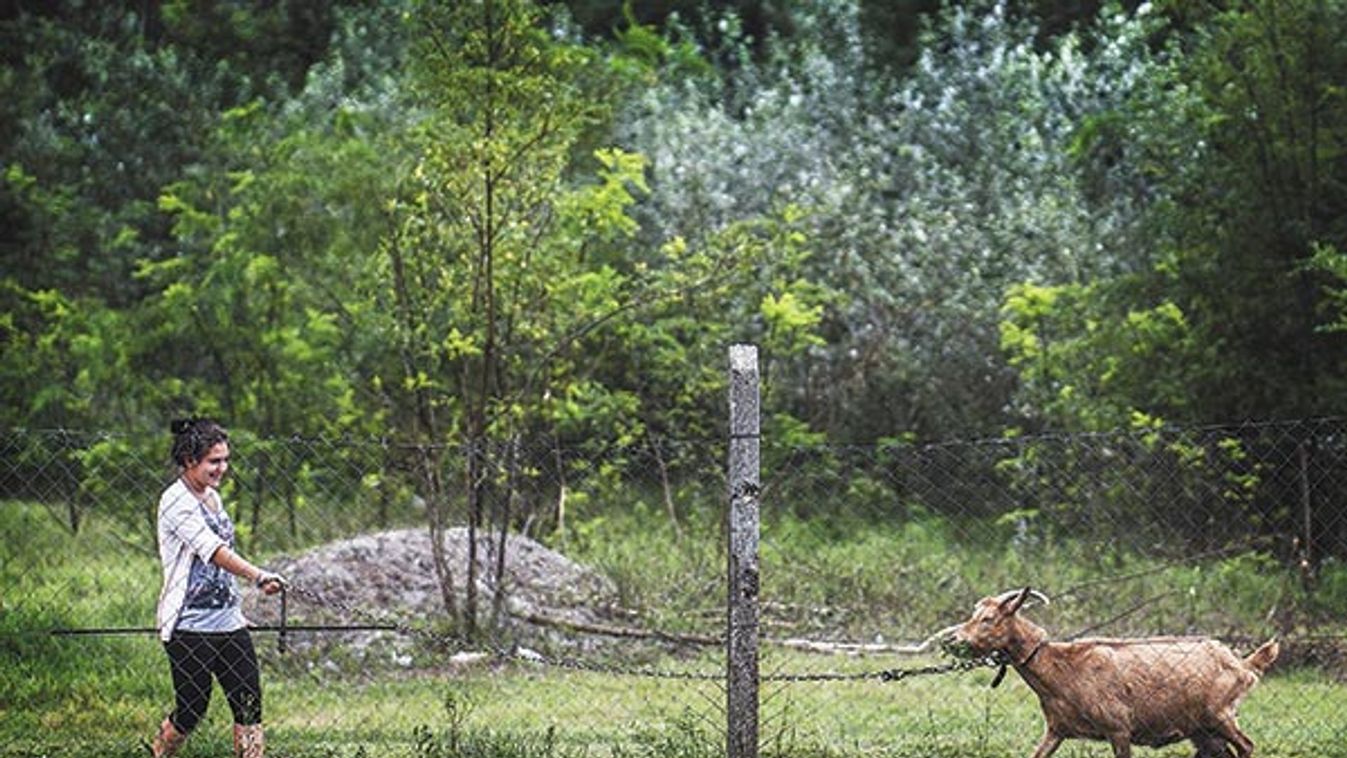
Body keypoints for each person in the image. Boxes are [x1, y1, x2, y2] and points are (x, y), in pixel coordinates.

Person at [149, 418, 285, 758]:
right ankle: (158, 753)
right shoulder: (176, 501)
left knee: (248, 703)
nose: (222, 468)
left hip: (228, 622)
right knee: (192, 709)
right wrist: (258, 575)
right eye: (214, 461)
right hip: (190, 624)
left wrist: (235, 612)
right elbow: (213, 551)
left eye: (225, 460)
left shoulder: (212, 497)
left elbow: (218, 570)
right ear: (189, 460)